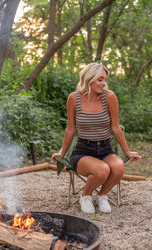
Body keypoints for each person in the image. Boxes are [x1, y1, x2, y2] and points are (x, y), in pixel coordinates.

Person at [51, 62, 141, 214]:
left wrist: (127, 152)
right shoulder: (74, 98)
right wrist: (62, 153)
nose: (104, 83)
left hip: (105, 148)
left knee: (119, 167)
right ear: (89, 78)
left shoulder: (109, 97)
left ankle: (102, 195)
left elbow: (116, 127)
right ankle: (85, 196)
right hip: (83, 151)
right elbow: (71, 128)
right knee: (102, 170)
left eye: (105, 79)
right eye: (100, 79)